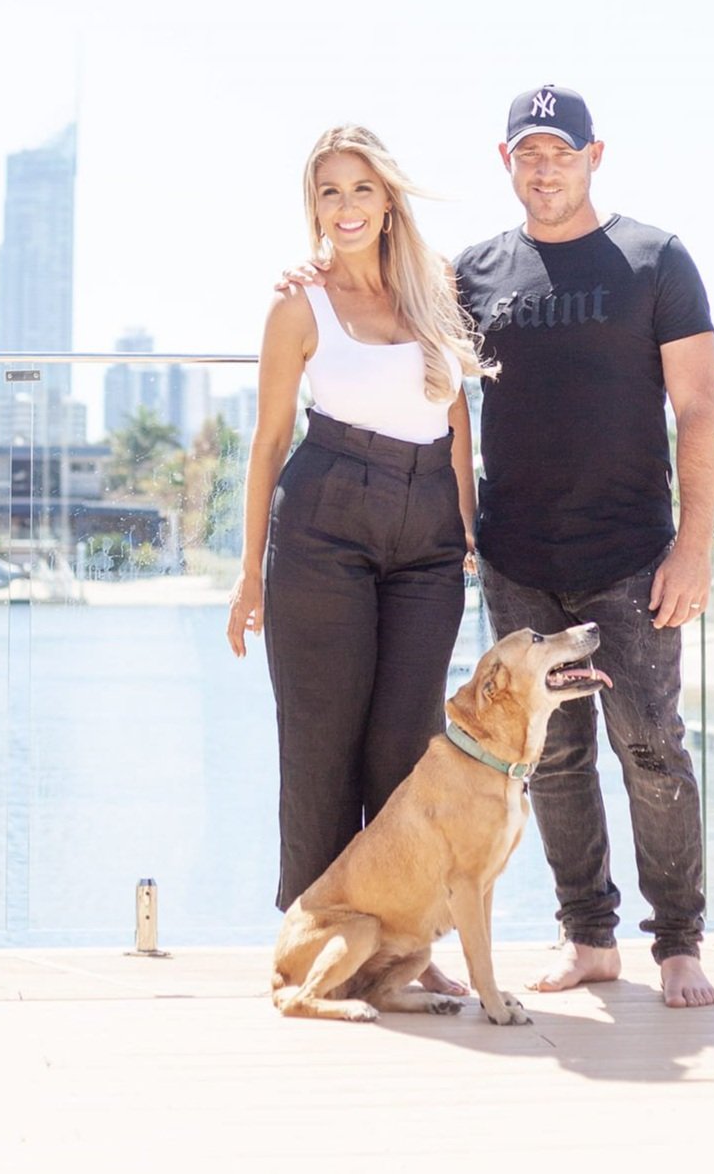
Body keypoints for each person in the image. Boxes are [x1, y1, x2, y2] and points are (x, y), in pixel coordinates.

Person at [454, 84, 714, 1008]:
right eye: (528, 153)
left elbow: (698, 409)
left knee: (650, 748)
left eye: (560, 152)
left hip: (631, 556)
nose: (544, 168)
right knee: (554, 758)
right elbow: (432, 387)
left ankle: (678, 943)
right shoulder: (473, 272)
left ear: (593, 156)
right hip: (516, 557)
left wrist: (692, 549)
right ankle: (588, 938)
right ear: (506, 161)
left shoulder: (655, 259)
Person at [228, 123, 490, 995]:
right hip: (325, 522)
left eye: (360, 189)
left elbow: (455, 418)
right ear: (314, 207)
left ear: (387, 202)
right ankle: (312, 946)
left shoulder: (432, 290)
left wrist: (465, 529)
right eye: (328, 192)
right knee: (321, 741)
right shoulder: (297, 306)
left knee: (409, 751)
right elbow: (268, 443)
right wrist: (248, 572)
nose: (345, 207)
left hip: (427, 535)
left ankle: (406, 950)